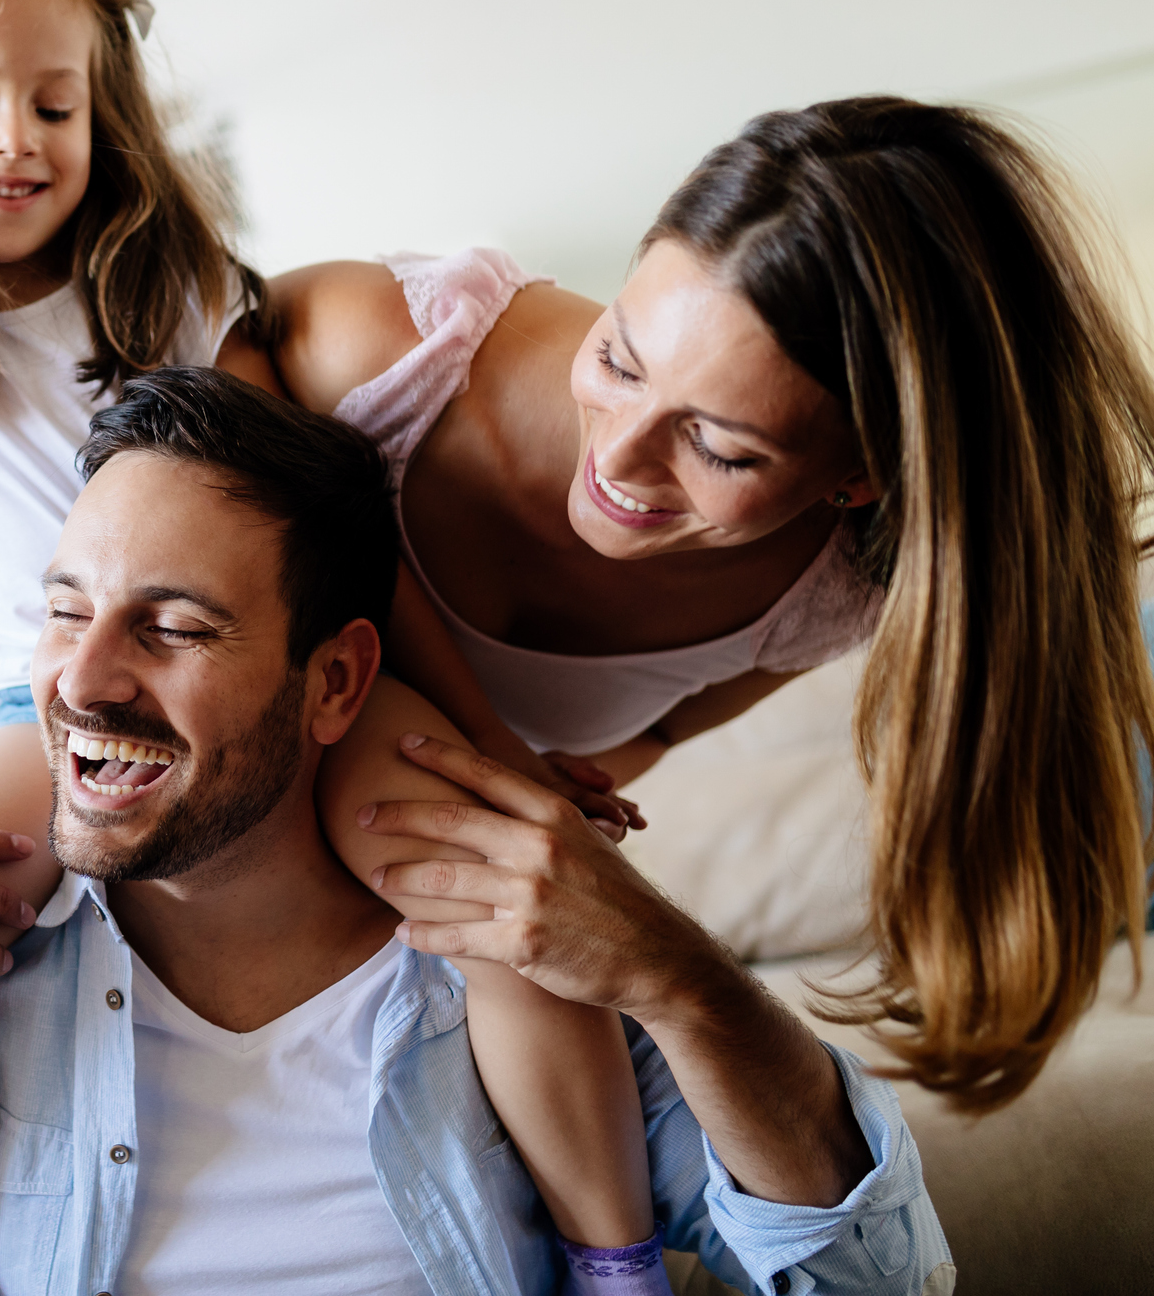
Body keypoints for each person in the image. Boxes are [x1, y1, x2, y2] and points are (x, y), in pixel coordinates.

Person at [0, 0, 652, 1291]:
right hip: (39, 716)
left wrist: (496, 750)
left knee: (496, 896)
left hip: (258, 667)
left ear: (103, 109)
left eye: (54, 105)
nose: (16, 138)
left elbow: (332, 540)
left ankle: (616, 1259)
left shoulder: (178, 292)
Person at [0, 368, 952, 1296]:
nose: (80, 682)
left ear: (334, 682)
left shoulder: (504, 952)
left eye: (175, 626)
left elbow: (874, 1282)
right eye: (66, 610)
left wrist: (682, 979)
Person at [276, 97, 1154, 1115]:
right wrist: (493, 747)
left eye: (720, 448)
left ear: (858, 478)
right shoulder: (375, 352)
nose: (617, 457)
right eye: (618, 358)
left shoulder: (829, 593)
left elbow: (650, 733)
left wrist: (536, 811)